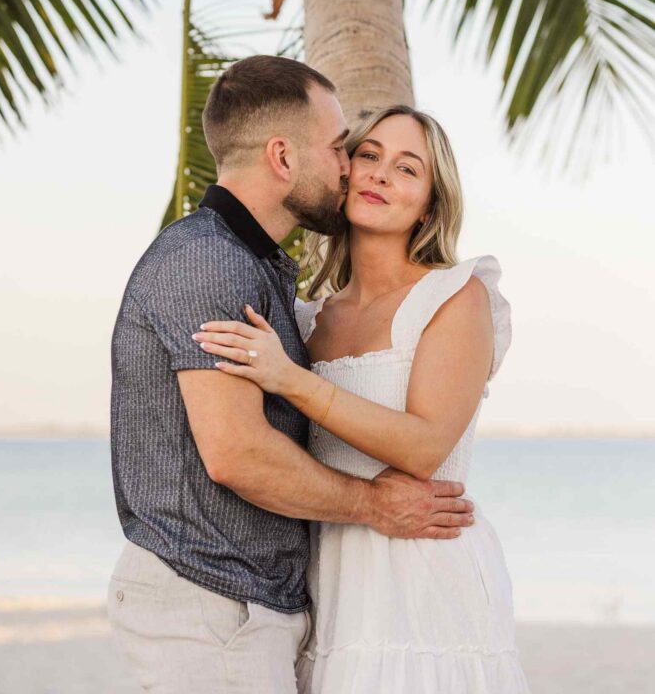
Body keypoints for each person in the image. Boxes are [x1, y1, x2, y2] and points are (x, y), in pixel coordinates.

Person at [108, 56, 474, 694]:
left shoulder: (264, 273)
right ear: (283, 157)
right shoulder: (207, 264)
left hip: (270, 606)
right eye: (343, 149)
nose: (349, 168)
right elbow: (237, 454)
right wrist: (370, 504)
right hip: (211, 602)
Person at [194, 104, 531, 692]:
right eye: (369, 156)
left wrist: (291, 379)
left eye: (407, 168)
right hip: (328, 578)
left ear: (430, 201)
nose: (379, 174)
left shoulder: (456, 296)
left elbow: (424, 448)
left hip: (424, 574)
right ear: (344, 171)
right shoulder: (303, 319)